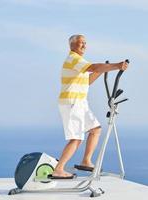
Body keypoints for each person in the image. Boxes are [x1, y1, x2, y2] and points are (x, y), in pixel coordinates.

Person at [51, 34, 129, 179]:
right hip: (72, 102)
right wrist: (116, 66)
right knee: (76, 138)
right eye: (81, 43)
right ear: (72, 45)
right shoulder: (74, 59)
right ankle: (59, 169)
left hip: (80, 103)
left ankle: (86, 161)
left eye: (85, 43)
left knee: (95, 129)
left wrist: (102, 70)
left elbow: (88, 80)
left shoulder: (79, 62)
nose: (84, 45)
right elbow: (93, 67)